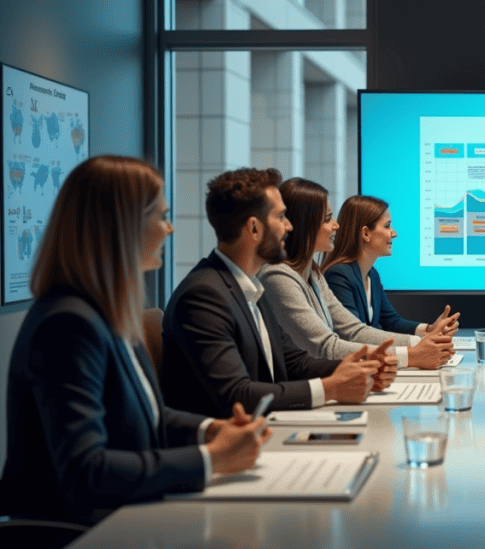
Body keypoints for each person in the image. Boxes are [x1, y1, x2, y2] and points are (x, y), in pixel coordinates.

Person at [1, 155, 269, 526]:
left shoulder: (108, 312)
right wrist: (211, 459)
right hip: (72, 542)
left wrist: (212, 430)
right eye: (160, 216)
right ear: (121, 227)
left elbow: (150, 417)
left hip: (122, 521)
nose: (170, 228)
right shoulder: (67, 324)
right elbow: (86, 472)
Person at [162, 167, 384, 417]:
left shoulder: (250, 287)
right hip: (234, 444)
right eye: (281, 217)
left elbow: (294, 363)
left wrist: (356, 367)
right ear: (254, 229)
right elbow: (238, 395)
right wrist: (329, 388)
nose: (289, 227)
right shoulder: (203, 296)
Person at [259, 178, 456, 370]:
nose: (336, 225)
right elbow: (327, 347)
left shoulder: (313, 273)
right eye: (328, 219)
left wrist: (422, 341)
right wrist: (411, 354)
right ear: (305, 225)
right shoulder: (278, 278)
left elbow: (354, 330)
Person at [322, 194, 458, 338]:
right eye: (387, 226)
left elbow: (391, 322)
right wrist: (416, 346)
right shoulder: (338, 275)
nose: (394, 233)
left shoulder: (372, 274)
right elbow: (355, 334)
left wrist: (430, 329)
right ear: (366, 233)